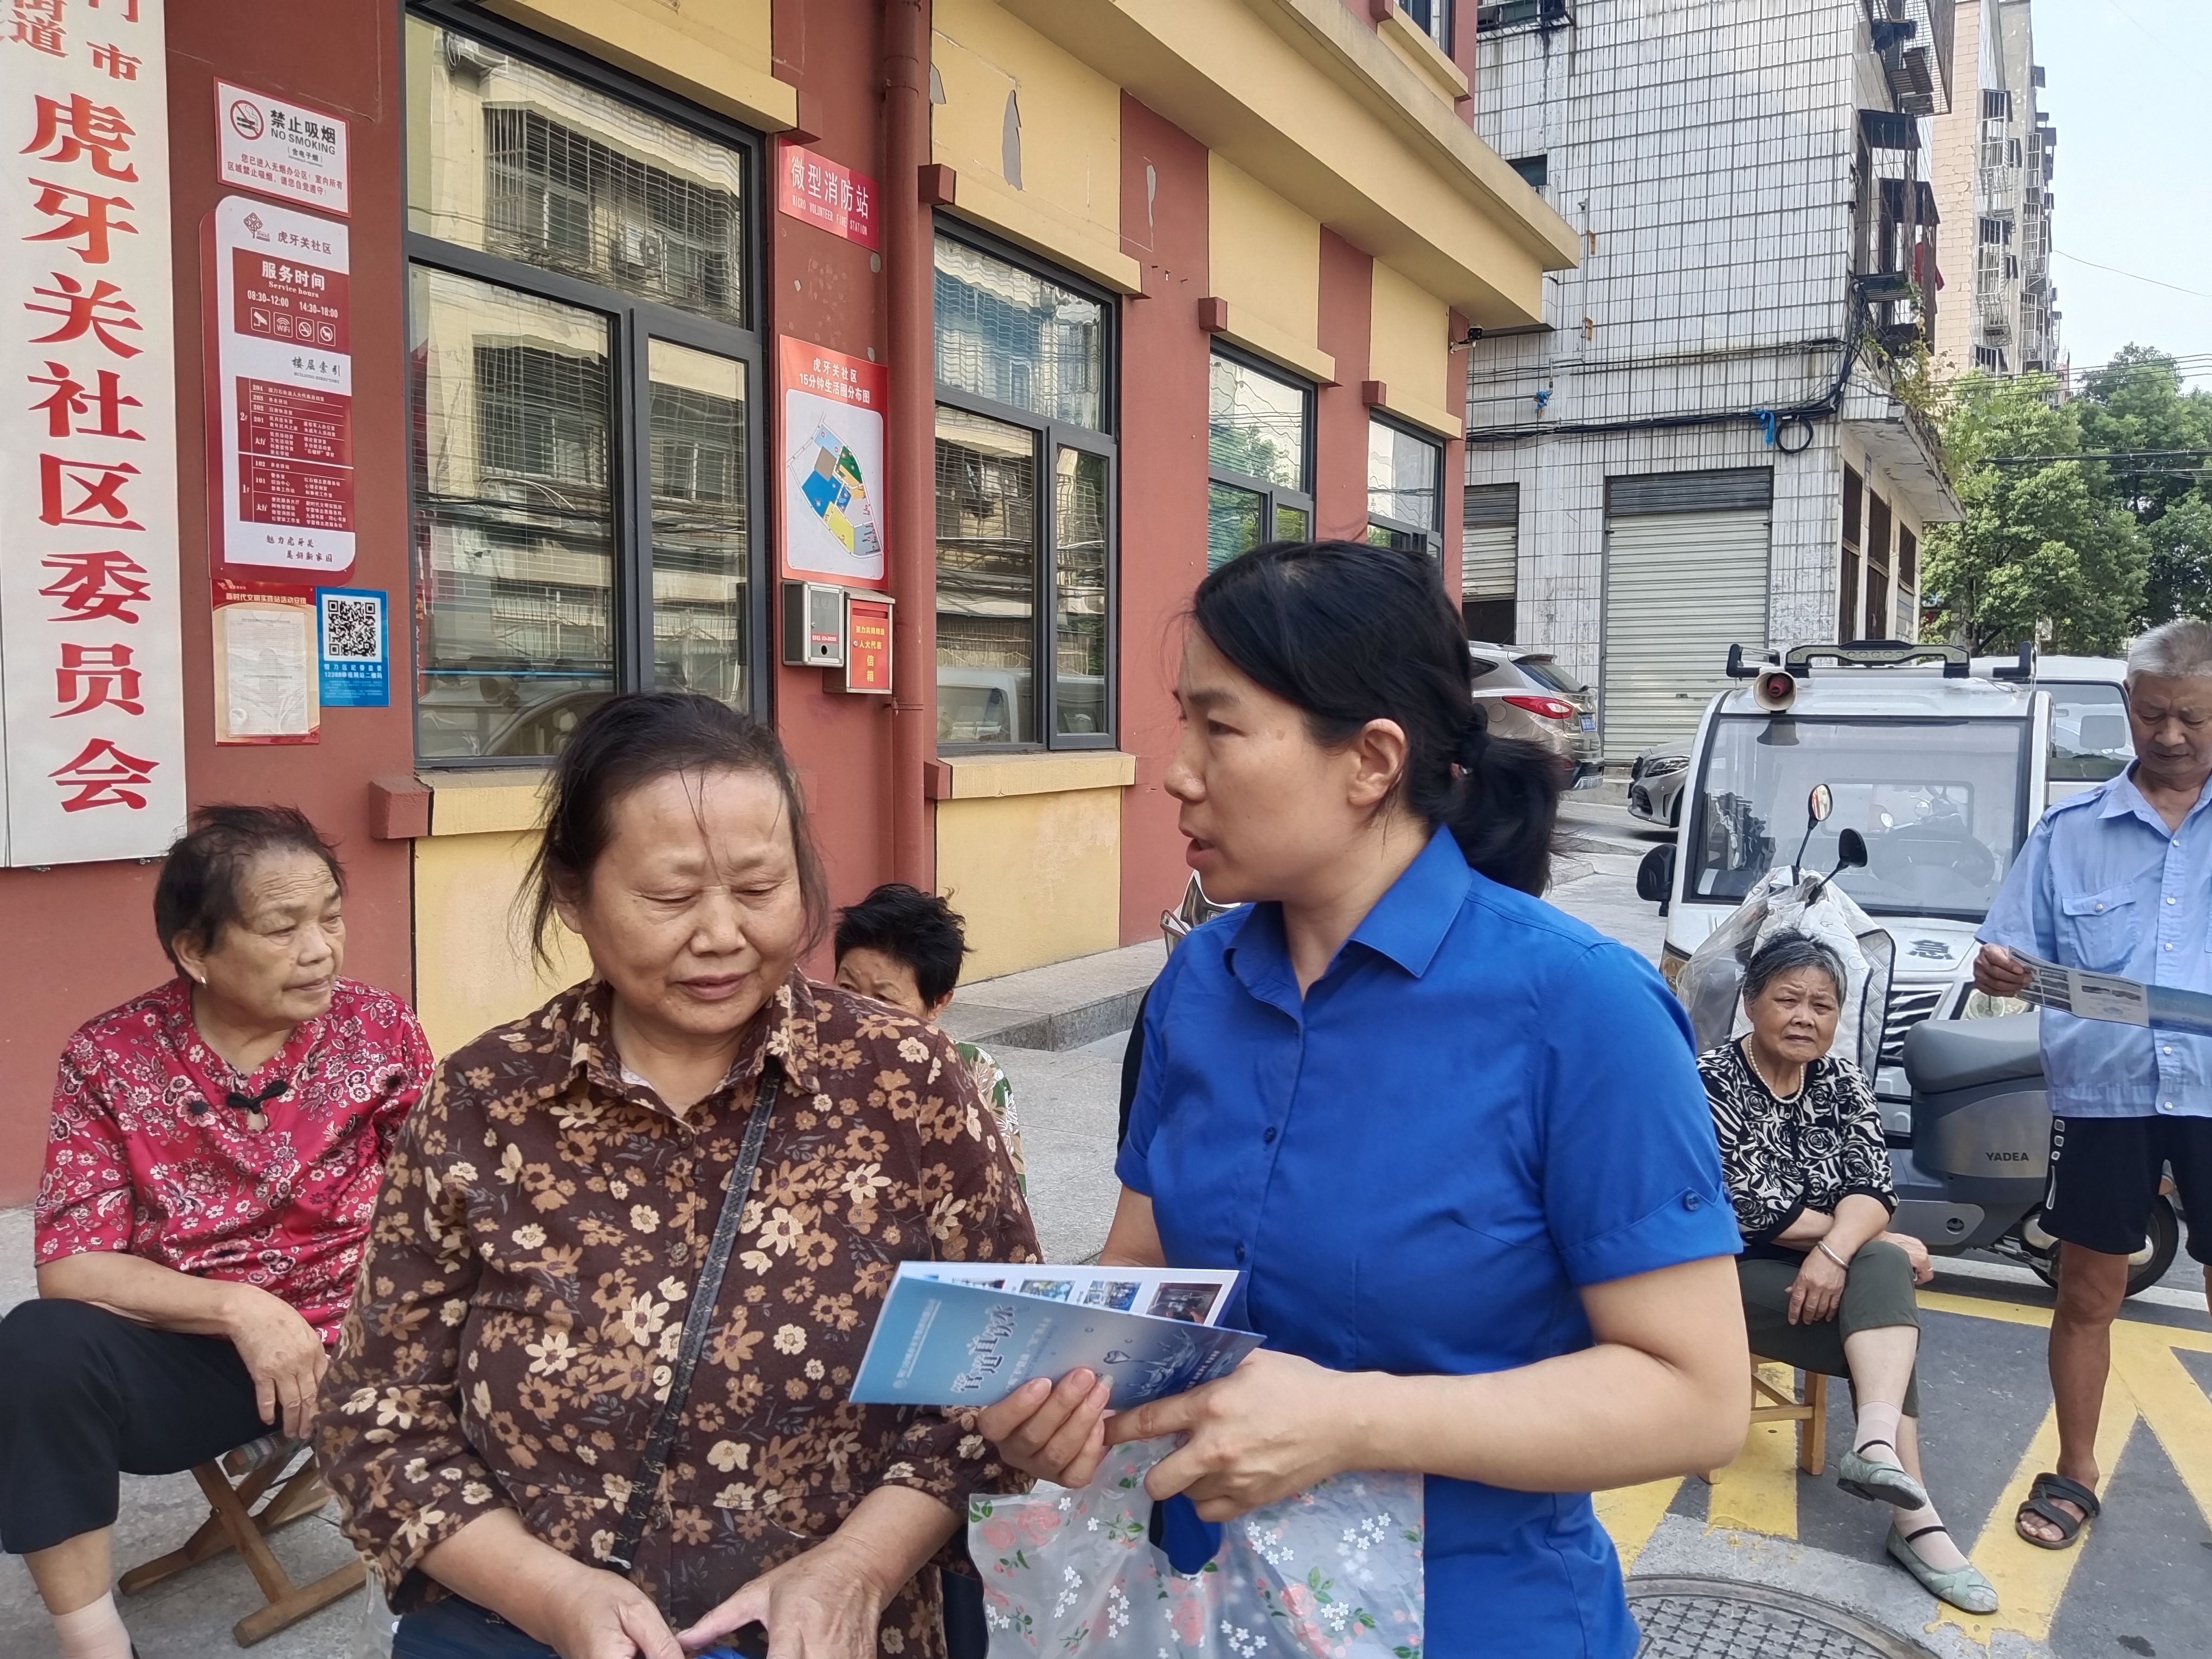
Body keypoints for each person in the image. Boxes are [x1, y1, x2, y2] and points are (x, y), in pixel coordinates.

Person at [979, 541, 1751, 1657]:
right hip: (1206, 1611)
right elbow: (1146, 1271)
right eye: (1182, 723)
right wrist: (1061, 1394)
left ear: (1372, 761)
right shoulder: (1200, 984)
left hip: (1475, 1623)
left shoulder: (1581, 1010)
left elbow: (1697, 1397)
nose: (1177, 772)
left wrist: (1354, 1418)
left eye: (1219, 728)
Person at [315, 692, 1037, 1659]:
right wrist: (553, 1597)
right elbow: (377, 1414)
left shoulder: (902, 1080)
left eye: (760, 887)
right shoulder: (486, 1102)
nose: (722, 933)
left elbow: (1000, 1365)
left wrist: (859, 1567)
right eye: (670, 897)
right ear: (573, 894)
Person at [0, 805, 433, 1659]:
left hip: (370, 1342)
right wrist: (240, 1307)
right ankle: (94, 1645)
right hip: (201, 1356)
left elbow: (445, 1200)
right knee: (38, 1349)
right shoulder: (110, 1057)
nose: (320, 949)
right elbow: (74, 1267)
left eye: (330, 917)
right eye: (283, 927)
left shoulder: (378, 1029)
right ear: (196, 950)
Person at [1974, 618, 2212, 1551]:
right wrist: (2000, 970)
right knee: (2085, 1291)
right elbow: (2012, 953)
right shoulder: (2069, 833)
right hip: (2105, 1097)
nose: (2170, 735)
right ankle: (2075, 1473)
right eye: (2152, 715)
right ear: (2127, 705)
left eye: (2192, 717)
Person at [1700, 931, 1996, 1613]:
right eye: (1789, 1000)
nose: (1806, 1017)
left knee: (1881, 1271)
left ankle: (1877, 1448)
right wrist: (1858, 1240)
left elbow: (1872, 1188)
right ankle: (1914, 1519)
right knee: (1887, 1312)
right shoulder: (1710, 1080)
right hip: (1724, 1271)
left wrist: (1839, 1251)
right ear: (1751, 1003)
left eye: (1823, 1005)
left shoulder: (1841, 1080)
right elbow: (1752, 1208)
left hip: (1819, 1264)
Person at [832, 882, 1025, 1189]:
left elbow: (1003, 1200)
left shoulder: (974, 1072)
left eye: (884, 999)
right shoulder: (805, 1061)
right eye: (846, 988)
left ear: (938, 1003)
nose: (860, 1014)